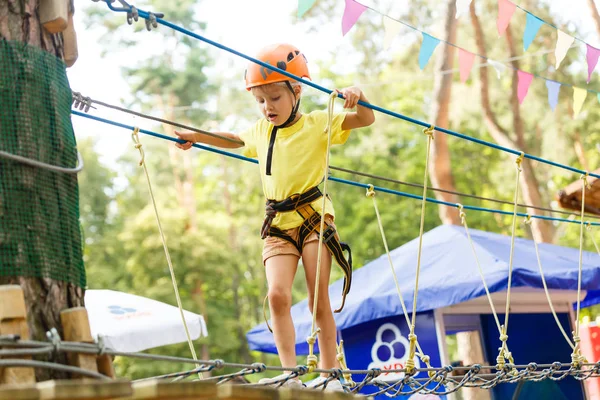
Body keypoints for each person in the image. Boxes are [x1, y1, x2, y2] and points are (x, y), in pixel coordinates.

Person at [175, 43, 375, 390]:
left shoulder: (318, 124)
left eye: (275, 98)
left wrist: (359, 97)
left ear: (296, 91)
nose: (267, 107)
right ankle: (290, 372)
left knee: (317, 298)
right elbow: (232, 139)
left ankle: (330, 374)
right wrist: (195, 135)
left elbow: (365, 119)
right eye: (261, 101)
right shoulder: (260, 131)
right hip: (278, 225)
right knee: (278, 296)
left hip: (314, 219)